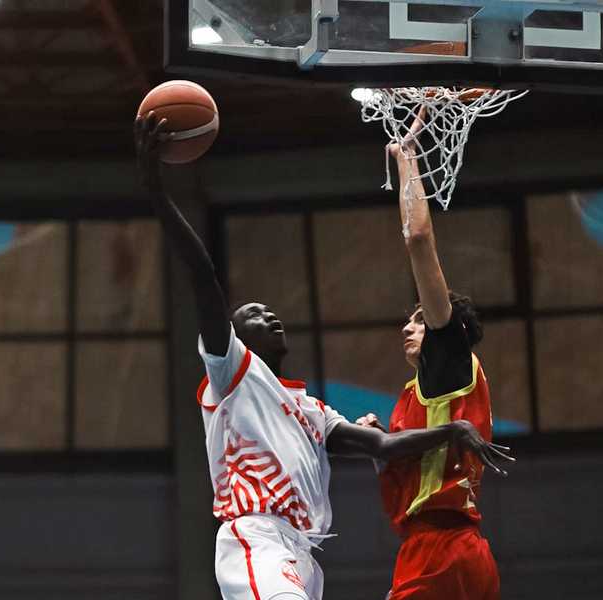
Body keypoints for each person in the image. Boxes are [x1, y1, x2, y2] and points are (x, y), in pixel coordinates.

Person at [134, 112, 513, 600]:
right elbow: (203, 277)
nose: (268, 314)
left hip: (307, 554)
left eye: (268, 310)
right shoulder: (234, 373)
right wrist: (158, 191)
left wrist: (445, 431)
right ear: (234, 337)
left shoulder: (313, 411)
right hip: (257, 537)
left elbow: (382, 447)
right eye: (252, 314)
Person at [357, 111, 513, 600]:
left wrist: (407, 159)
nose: (408, 326)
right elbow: (415, 474)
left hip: (439, 551)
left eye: (420, 319)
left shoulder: (449, 363)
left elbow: (419, 239)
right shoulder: (420, 395)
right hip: (459, 551)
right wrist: (381, 444)